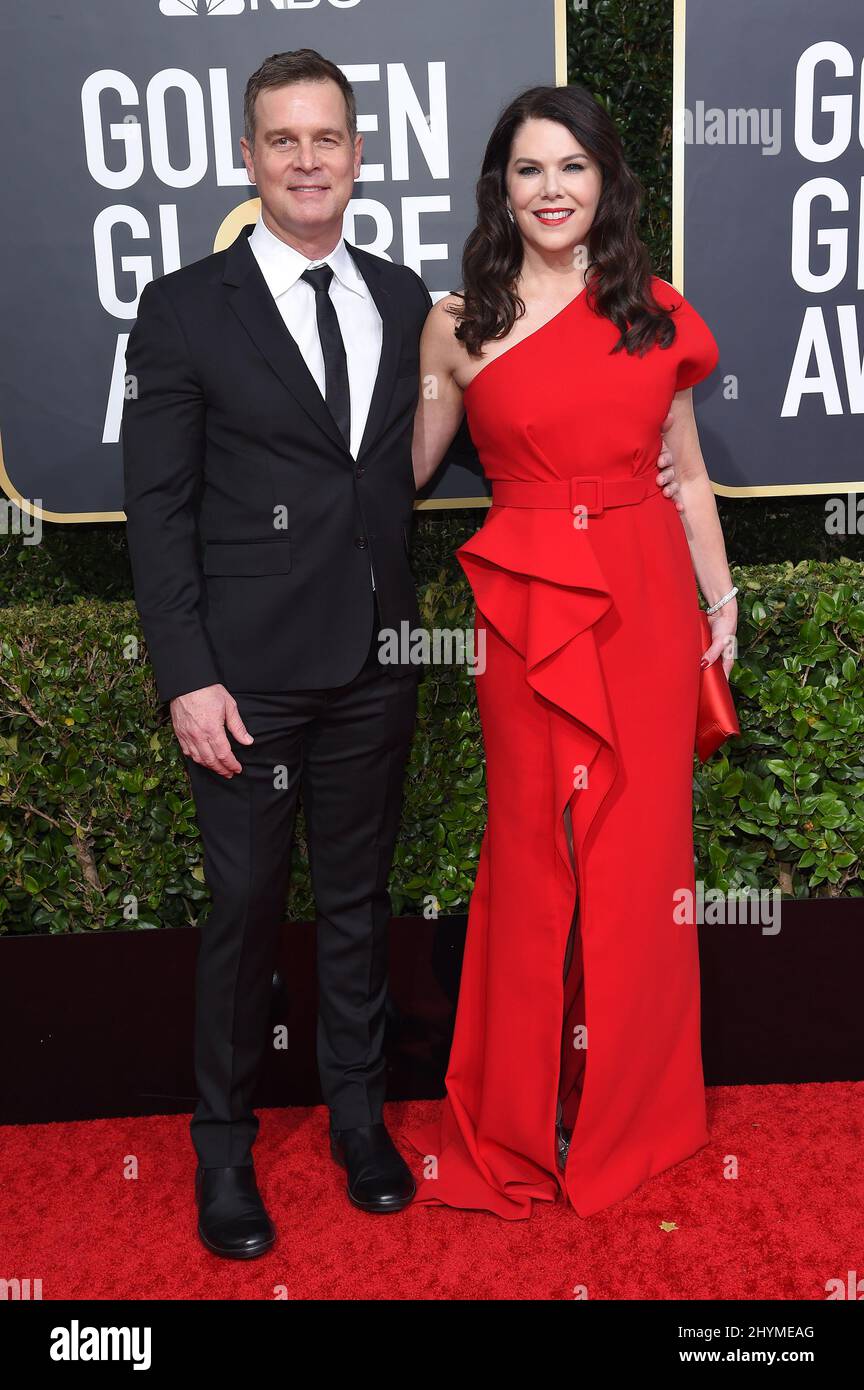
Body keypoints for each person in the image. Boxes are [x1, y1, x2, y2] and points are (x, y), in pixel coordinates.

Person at [122, 51, 683, 1258]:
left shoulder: (402, 297)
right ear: (249, 156)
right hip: (246, 673)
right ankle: (223, 1150)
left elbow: (413, 461)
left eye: (329, 139)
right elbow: (157, 512)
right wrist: (187, 673)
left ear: (359, 154)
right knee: (244, 906)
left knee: (358, 903)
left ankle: (360, 1122)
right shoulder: (181, 307)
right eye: (285, 141)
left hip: (376, 659)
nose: (309, 161)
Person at [405, 82, 737, 1220]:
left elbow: (685, 475)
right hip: (528, 604)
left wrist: (722, 600)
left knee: (642, 857)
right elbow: (403, 471)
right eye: (529, 170)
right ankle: (519, 1109)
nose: (552, 190)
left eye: (573, 168)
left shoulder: (652, 309)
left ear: (607, 183)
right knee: (533, 855)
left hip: (644, 596)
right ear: (503, 187)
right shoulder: (461, 322)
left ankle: (628, 1108)